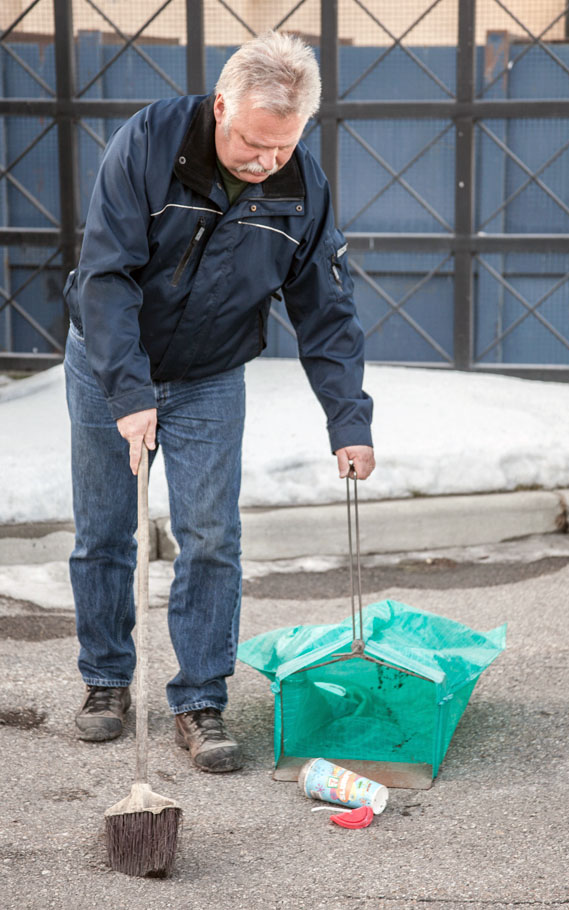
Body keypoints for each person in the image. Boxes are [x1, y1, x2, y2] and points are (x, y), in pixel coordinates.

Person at [63, 31, 375, 773]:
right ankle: (106, 681)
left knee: (210, 537)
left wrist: (348, 421)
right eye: (252, 144)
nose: (266, 162)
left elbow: (325, 308)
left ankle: (200, 699)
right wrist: (130, 392)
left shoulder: (301, 181)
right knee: (105, 531)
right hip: (109, 362)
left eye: (283, 146)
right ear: (221, 104)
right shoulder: (149, 143)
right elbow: (105, 275)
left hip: (210, 373)